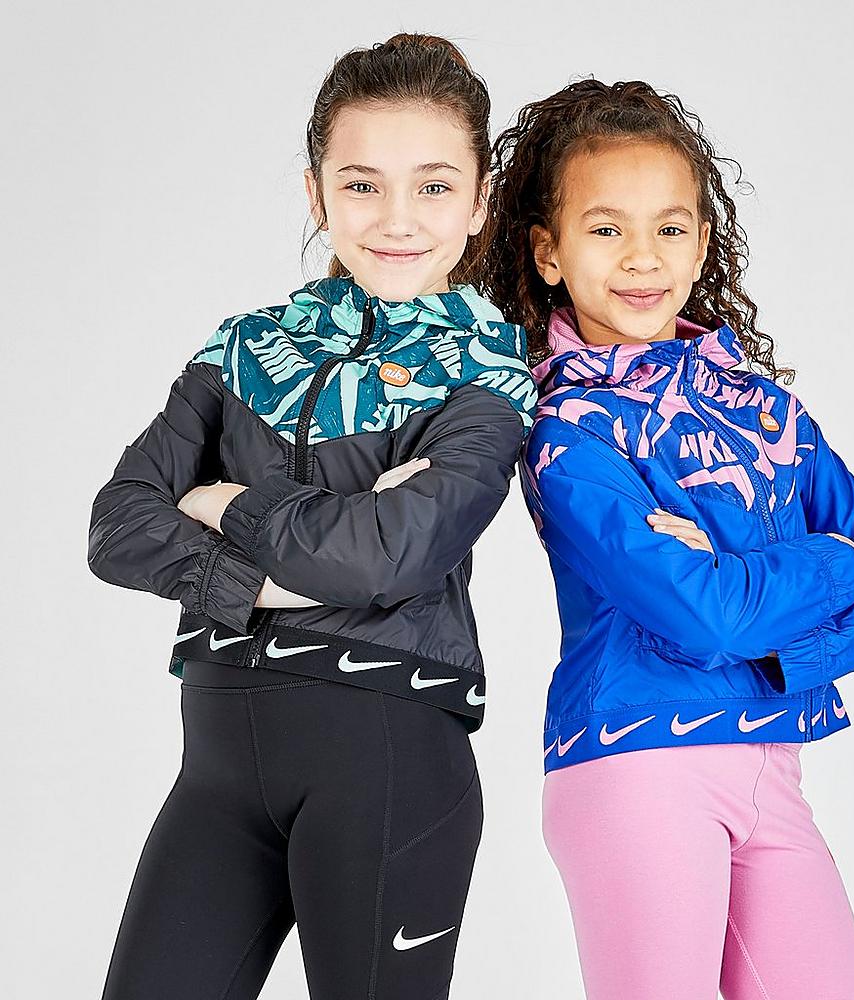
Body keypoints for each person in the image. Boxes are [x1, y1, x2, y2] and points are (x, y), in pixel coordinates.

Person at [88, 34, 535, 1000]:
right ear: (316, 194)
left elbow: (387, 556)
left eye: (434, 186)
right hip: (215, 773)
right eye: (362, 184)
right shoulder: (243, 349)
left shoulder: (490, 373)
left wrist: (224, 503)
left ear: (479, 202)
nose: (397, 219)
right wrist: (266, 580)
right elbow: (117, 524)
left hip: (387, 761)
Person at [483, 78, 854, 1000]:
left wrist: (771, 628)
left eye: (669, 228)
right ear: (549, 251)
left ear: (701, 243)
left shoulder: (766, 410)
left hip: (775, 769)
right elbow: (706, 615)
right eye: (606, 229)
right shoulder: (569, 431)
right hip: (636, 763)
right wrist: (829, 561)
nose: (642, 257)